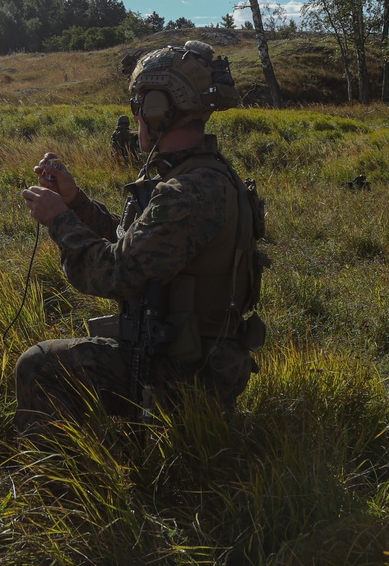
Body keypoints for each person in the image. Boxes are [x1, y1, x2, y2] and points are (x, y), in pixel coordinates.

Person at [15, 40, 265, 438]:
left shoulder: (188, 191)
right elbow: (138, 243)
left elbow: (117, 273)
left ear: (158, 110)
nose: (136, 119)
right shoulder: (203, 175)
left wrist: (59, 220)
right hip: (203, 358)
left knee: (37, 364)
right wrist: (76, 202)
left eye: (138, 107)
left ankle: (54, 483)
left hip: (188, 374)